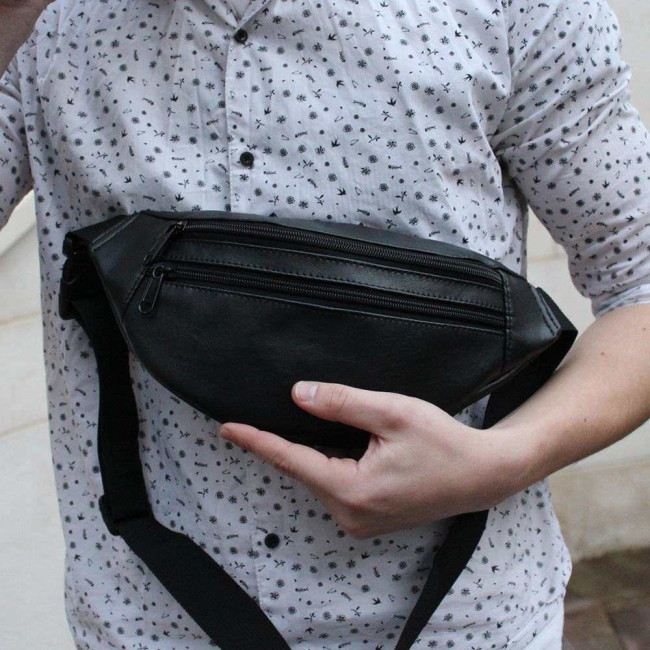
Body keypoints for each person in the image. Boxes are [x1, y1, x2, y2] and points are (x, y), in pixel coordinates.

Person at [1, 0, 649, 648]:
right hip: (144, 623)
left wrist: (501, 462)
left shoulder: (517, 9)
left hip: (465, 622)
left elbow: (639, 283)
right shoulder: (41, 24)